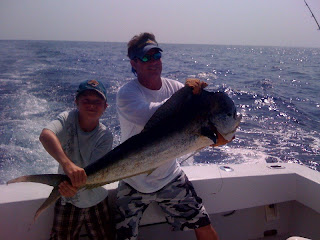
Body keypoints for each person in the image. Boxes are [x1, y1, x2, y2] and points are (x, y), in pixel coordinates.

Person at [116, 32, 230, 240]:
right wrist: (184, 95)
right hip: (132, 179)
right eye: (145, 57)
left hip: (170, 178)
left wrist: (217, 137)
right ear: (133, 62)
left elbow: (200, 122)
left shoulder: (176, 88)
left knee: (204, 225)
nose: (153, 62)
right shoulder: (127, 93)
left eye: (156, 56)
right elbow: (153, 117)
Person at [39, 79, 115, 240]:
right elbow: (46, 135)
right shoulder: (67, 119)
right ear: (76, 102)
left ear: (105, 106)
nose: (91, 105)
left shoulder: (106, 136)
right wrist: (67, 165)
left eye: (97, 101)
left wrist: (73, 184)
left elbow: (92, 173)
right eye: (86, 100)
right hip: (67, 199)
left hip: (97, 200)